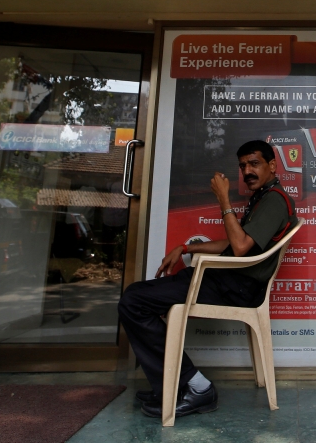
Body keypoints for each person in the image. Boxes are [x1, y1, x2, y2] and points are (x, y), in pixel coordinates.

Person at [118, 140, 298, 418]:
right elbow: (236, 243)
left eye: (254, 163)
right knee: (137, 297)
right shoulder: (263, 197)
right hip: (226, 281)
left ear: (273, 165)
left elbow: (239, 249)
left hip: (236, 288)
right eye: (242, 166)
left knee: (133, 300)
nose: (247, 171)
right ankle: (173, 384)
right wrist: (187, 248)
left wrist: (224, 201)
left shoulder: (275, 200)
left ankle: (196, 386)